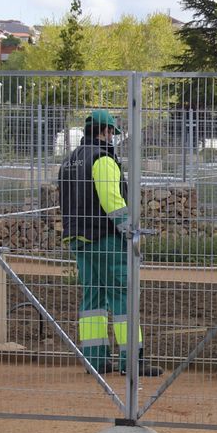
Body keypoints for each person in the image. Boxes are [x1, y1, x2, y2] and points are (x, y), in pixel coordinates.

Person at [56, 109, 160, 376]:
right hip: (105, 239)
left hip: (79, 239)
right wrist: (131, 233)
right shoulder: (102, 158)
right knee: (123, 298)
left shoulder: (70, 161)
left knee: (93, 300)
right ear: (105, 131)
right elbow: (111, 200)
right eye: (112, 131)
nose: (113, 136)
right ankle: (132, 362)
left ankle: (95, 360)